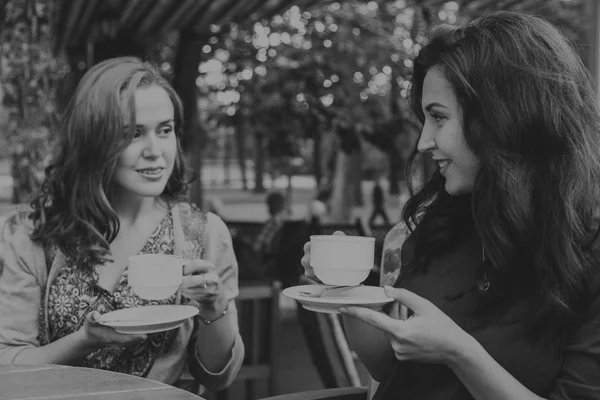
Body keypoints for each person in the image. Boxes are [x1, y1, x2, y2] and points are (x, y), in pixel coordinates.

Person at [301, 11, 600, 400]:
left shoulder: (588, 248)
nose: (424, 142)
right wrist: (347, 294)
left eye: (438, 118)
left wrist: (459, 353)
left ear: (505, 117)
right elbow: (390, 370)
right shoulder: (442, 223)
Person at [0, 57, 244, 395]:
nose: (155, 151)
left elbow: (218, 375)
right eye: (132, 134)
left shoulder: (204, 233)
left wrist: (215, 309)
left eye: (165, 130)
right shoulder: (33, 232)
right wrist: (84, 340)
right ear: (93, 141)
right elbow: (8, 362)